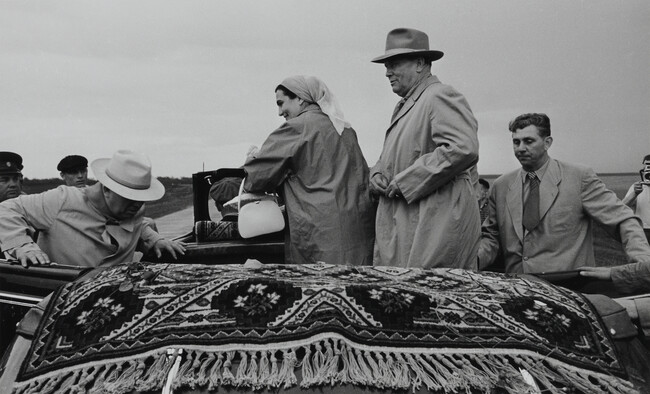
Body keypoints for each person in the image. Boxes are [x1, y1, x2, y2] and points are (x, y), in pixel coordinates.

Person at [478, 113, 650, 273]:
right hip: (519, 288)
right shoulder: (501, 185)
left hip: (570, 288)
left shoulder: (579, 177)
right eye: (516, 142)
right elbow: (492, 238)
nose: (521, 148)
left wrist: (643, 266)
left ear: (547, 142)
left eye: (529, 141)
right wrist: (471, 262)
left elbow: (622, 219)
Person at [369, 28, 480, 269]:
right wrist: (377, 174)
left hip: (434, 221)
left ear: (420, 63)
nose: (388, 72)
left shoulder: (440, 95)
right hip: (409, 221)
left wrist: (407, 181)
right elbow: (390, 155)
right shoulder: (406, 105)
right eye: (386, 65)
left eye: (394, 64)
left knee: (435, 297)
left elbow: (463, 147)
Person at [243, 75, 375, 265]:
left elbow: (255, 179)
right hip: (359, 230)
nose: (280, 112)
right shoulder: (345, 129)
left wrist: (252, 159)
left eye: (281, 103)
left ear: (300, 98)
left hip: (321, 232)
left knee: (321, 288)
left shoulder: (296, 128)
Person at [0, 150, 185, 268]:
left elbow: (136, 224)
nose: (138, 205)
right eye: (129, 197)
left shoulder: (134, 209)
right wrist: (23, 246)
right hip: (61, 300)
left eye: (142, 198)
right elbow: (6, 210)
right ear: (106, 190)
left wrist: (154, 238)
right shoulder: (62, 199)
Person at [622, 154, 650, 243]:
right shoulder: (637, 186)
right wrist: (635, 194)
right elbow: (622, 207)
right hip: (642, 230)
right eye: (646, 164)